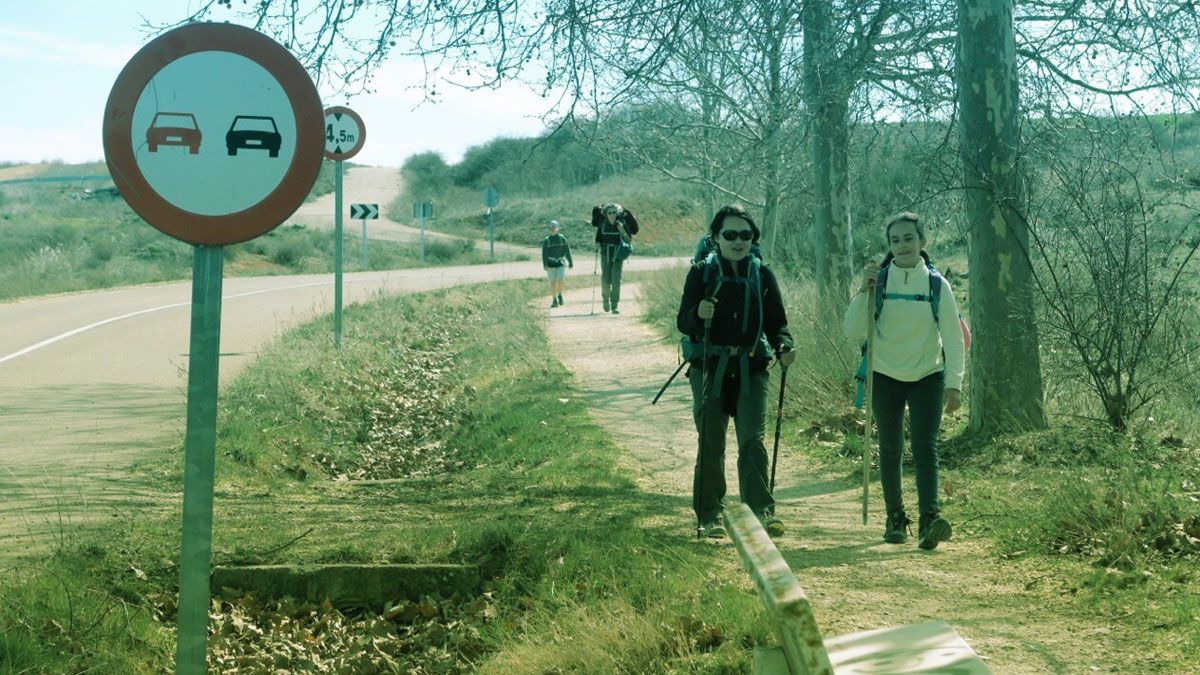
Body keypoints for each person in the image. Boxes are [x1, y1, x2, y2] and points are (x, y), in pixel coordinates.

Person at [843, 212, 965, 550]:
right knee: (891, 448)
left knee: (926, 447)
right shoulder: (879, 282)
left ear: (922, 242)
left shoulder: (937, 285)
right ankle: (895, 519)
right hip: (885, 375)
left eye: (908, 238)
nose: (901, 246)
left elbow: (953, 338)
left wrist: (954, 383)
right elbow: (852, 330)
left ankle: (930, 519)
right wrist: (863, 291)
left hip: (928, 375)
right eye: (895, 240)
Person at [677, 204, 795, 539]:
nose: (738, 240)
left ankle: (761, 511)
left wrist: (784, 346)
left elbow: (777, 324)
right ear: (716, 237)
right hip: (709, 368)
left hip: (751, 367)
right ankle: (709, 514)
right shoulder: (700, 273)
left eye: (745, 235)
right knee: (711, 442)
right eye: (730, 234)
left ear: (752, 238)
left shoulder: (762, 274)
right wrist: (698, 314)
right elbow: (683, 322)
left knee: (752, 441)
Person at [591, 203, 639, 314]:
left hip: (618, 255)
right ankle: (605, 300)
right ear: (606, 214)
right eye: (609, 213)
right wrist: (597, 244)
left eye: (614, 212)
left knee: (616, 281)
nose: (612, 214)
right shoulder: (602, 225)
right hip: (605, 254)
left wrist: (622, 231)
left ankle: (614, 305)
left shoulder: (621, 224)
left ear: (617, 213)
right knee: (605, 280)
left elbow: (629, 240)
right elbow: (598, 239)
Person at [541, 220, 574, 307]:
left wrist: (570, 262)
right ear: (549, 229)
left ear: (558, 229)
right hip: (551, 264)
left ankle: (560, 294)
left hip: (560, 263)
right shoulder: (547, 240)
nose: (553, 230)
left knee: (561, 280)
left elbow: (567, 251)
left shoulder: (562, 238)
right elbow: (544, 253)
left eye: (554, 228)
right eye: (551, 229)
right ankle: (554, 299)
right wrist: (545, 264)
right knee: (553, 282)